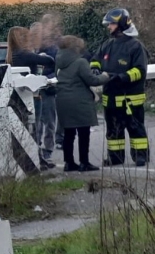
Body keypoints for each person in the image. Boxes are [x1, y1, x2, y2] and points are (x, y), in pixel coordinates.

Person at [89, 8, 149, 166]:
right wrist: (94, 69)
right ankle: (115, 157)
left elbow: (140, 71)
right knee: (113, 130)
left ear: (121, 24)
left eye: (112, 24)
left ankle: (140, 156)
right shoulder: (108, 44)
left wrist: (121, 77)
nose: (109, 27)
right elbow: (95, 59)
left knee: (136, 128)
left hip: (130, 98)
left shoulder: (136, 46)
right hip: (111, 97)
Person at [52, 35, 110, 175]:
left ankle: (69, 163)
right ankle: (84, 162)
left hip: (63, 100)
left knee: (68, 133)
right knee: (84, 133)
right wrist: (105, 76)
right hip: (80, 101)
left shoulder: (58, 61)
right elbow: (92, 80)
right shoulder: (80, 62)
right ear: (75, 47)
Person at [6, 25, 57, 169]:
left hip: (19, 97)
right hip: (32, 96)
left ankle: (37, 158)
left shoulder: (11, 55)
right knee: (34, 128)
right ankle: (36, 160)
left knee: (29, 128)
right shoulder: (24, 54)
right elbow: (50, 62)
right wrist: (43, 56)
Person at [33, 18, 61, 162]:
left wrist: (46, 78)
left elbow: (58, 69)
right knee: (35, 122)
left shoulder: (53, 50)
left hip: (48, 89)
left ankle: (48, 149)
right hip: (33, 90)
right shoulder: (30, 50)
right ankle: (36, 146)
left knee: (49, 121)